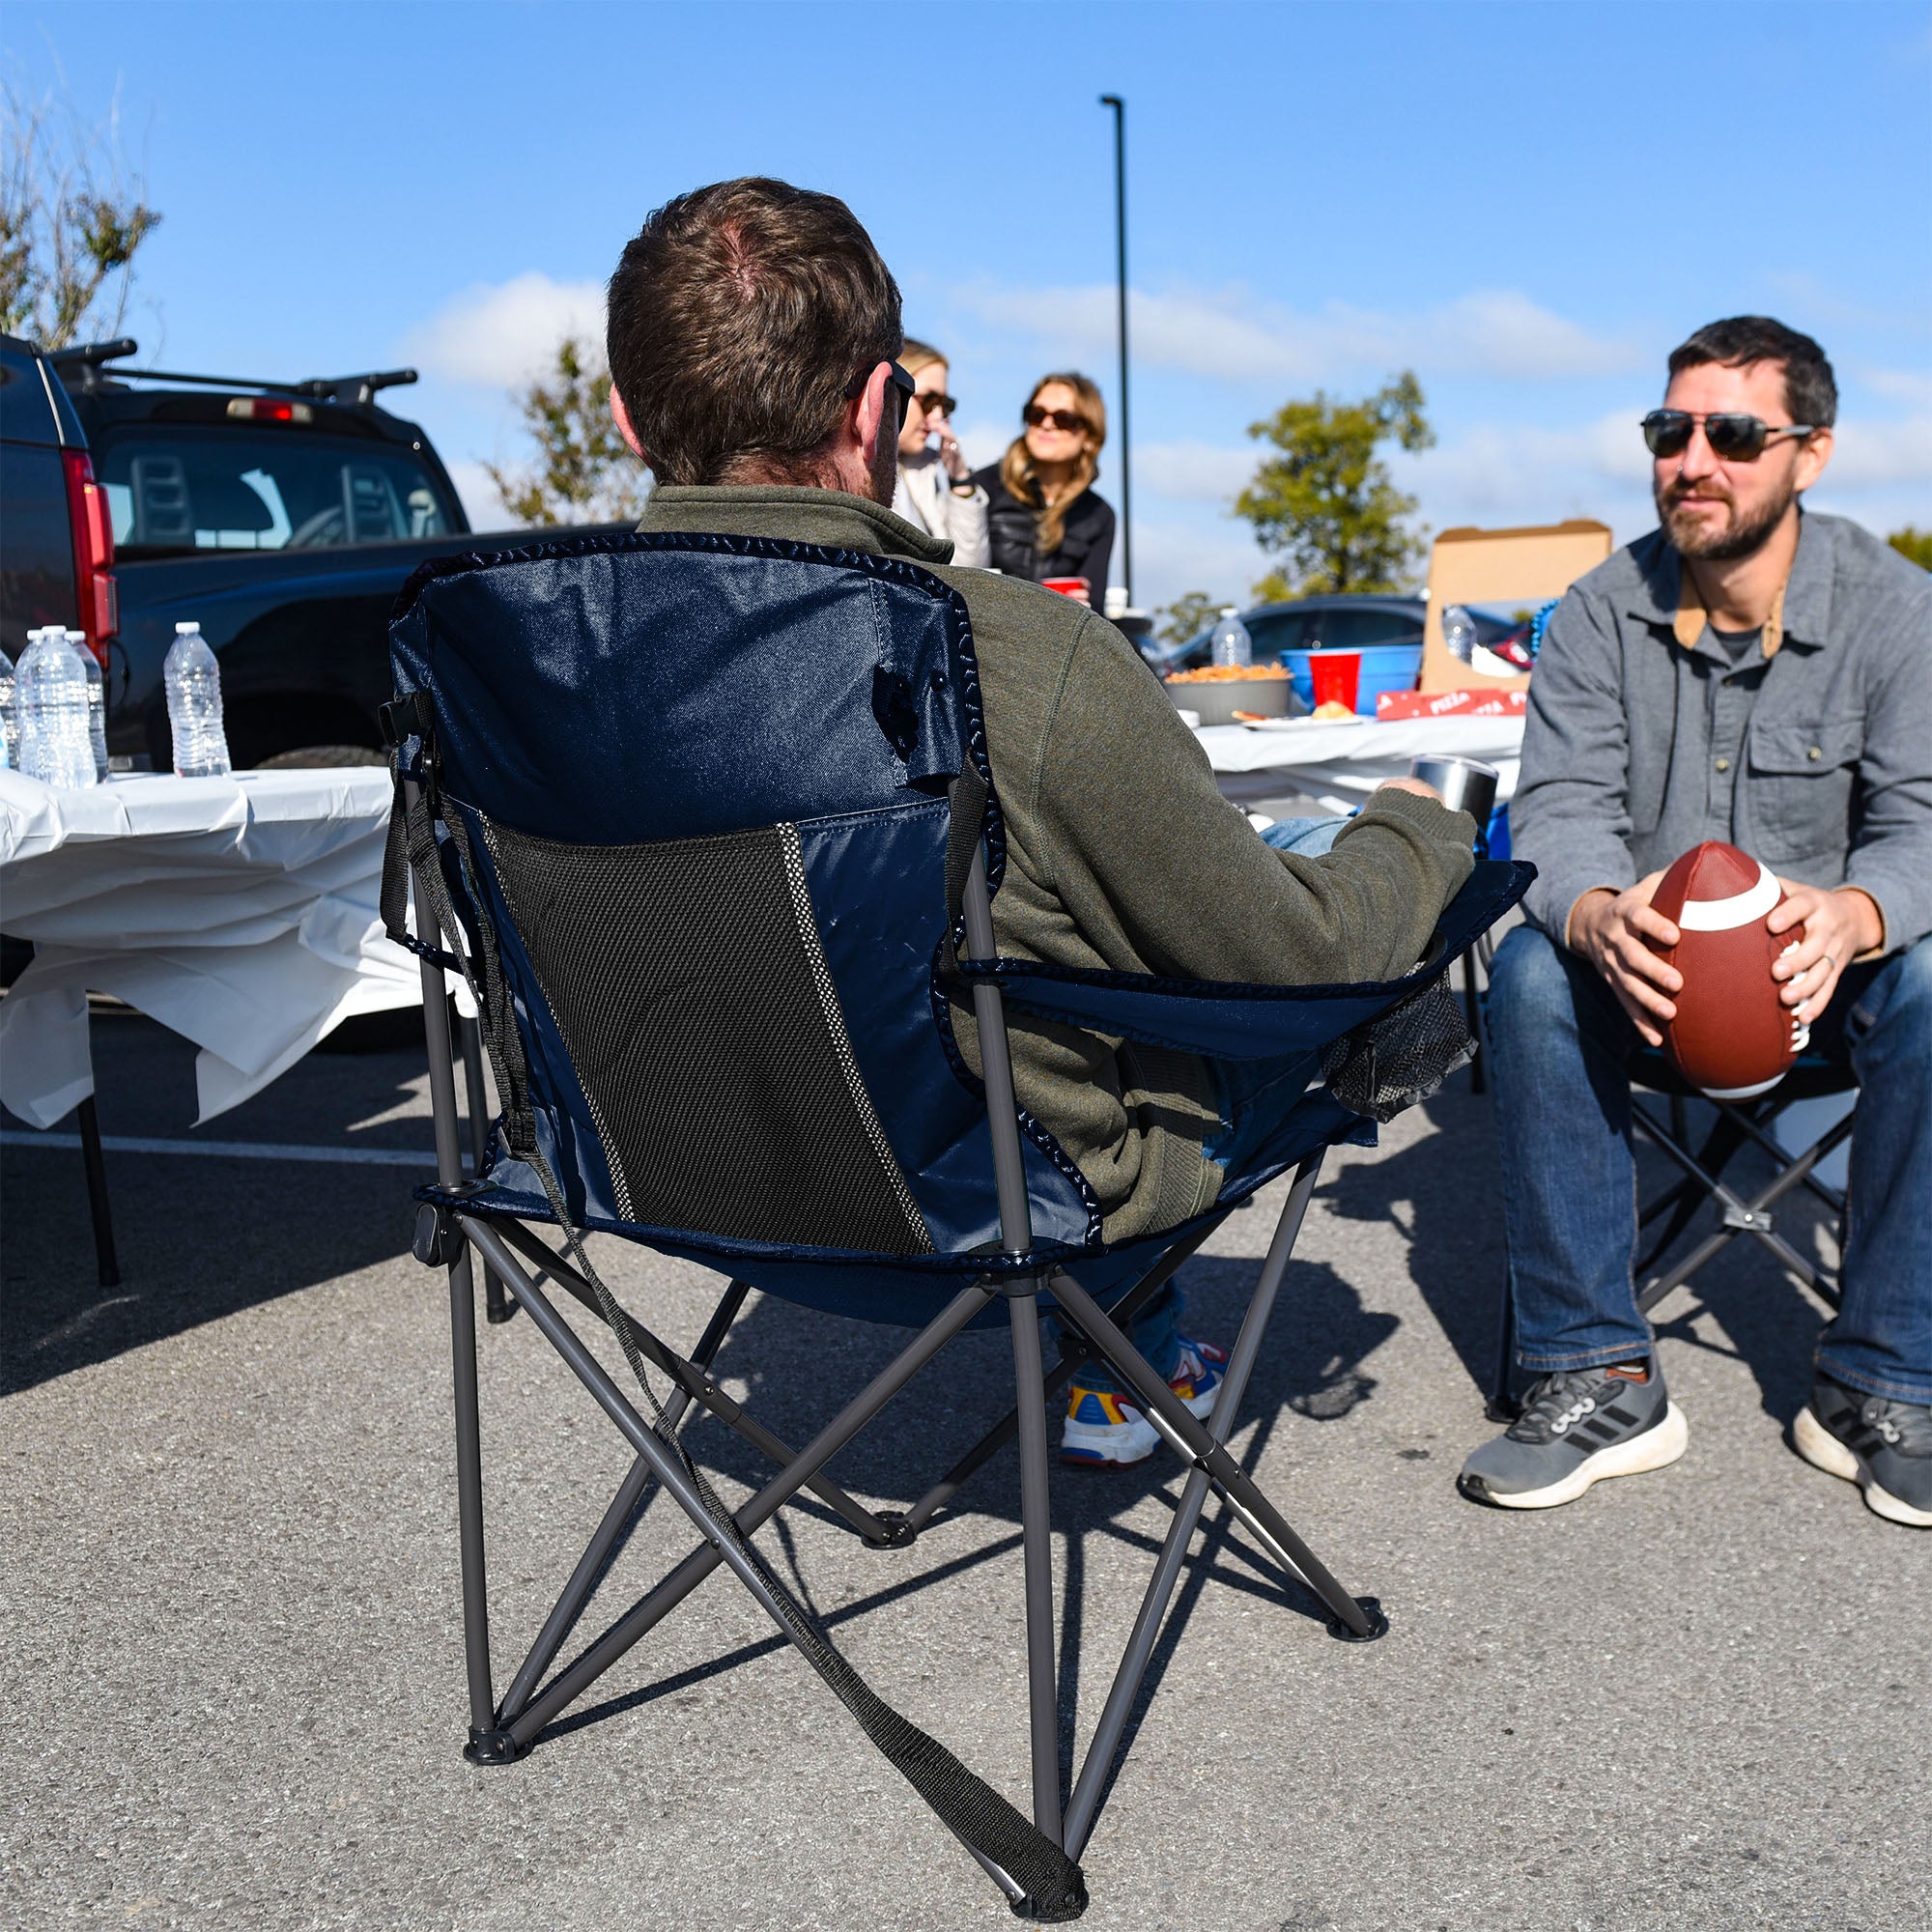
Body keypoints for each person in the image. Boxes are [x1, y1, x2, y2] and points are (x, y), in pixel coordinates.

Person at [604, 178, 1477, 1465]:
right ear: (876, 408)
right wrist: (1419, 836)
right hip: (996, 1202)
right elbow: (1288, 960)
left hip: (669, 1175)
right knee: (1341, 921)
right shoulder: (1011, 654)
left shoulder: (536, 667)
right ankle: (1127, 1351)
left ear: (626, 418)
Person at [1462, 316, 1932, 1527]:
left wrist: (1858, 911)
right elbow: (1555, 805)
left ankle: (1883, 1380)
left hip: (1824, 987)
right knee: (1527, 966)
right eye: (1670, 431)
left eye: (1730, 433)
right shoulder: (1597, 610)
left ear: (1808, 453)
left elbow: (1922, 820)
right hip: (1647, 986)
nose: (1691, 460)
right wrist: (1596, 908)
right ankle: (1594, 1371)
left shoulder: (1892, 609)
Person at [974, 373, 1115, 611]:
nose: (1047, 425)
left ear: (1090, 437)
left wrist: (1081, 606)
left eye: (1064, 419)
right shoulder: (985, 486)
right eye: (1036, 415)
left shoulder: (1099, 514)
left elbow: (1096, 609)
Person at [890, 338, 989, 566]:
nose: (937, 418)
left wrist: (960, 479)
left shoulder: (929, 469)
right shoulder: (853, 466)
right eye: (928, 401)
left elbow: (971, 571)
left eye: (944, 405)